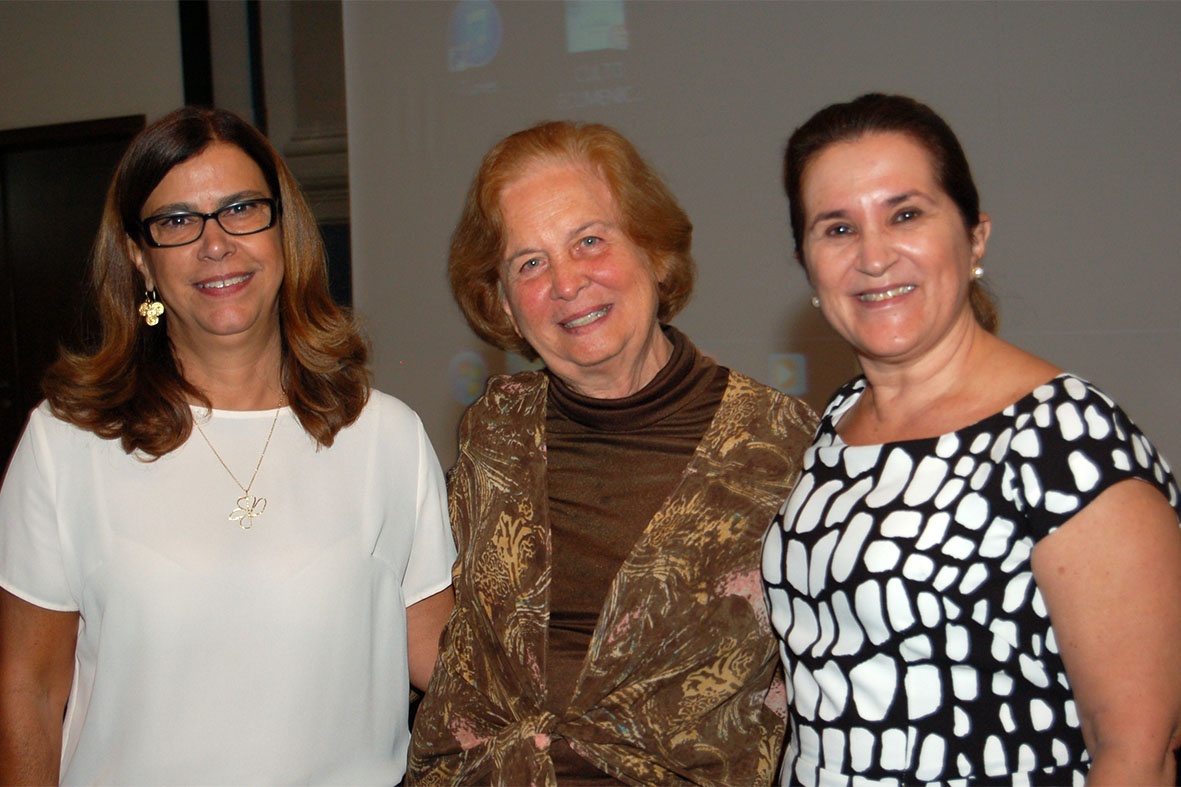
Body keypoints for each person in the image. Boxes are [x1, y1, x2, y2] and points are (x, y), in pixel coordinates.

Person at [0, 107, 456, 785]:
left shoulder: (384, 435)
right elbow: (30, 690)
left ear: (283, 231)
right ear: (139, 257)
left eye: (241, 208)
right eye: (177, 220)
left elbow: (441, 660)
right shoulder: (67, 441)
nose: (215, 244)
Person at [762, 92, 1181, 785]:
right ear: (806, 262)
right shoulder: (835, 422)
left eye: (905, 214)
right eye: (836, 228)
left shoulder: (1062, 437)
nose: (872, 256)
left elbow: (1134, 750)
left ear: (974, 235)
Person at [407, 120, 817, 785]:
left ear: (654, 252)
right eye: (529, 263)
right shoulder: (494, 431)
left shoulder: (785, 449)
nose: (566, 283)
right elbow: (456, 652)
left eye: (589, 241)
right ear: (505, 305)